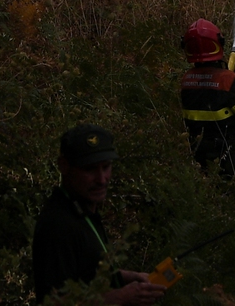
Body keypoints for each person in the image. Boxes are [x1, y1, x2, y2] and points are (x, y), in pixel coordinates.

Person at [32, 126, 165, 304]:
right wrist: (120, 296)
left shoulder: (83, 209)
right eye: (90, 169)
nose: (102, 179)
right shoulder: (58, 226)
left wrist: (128, 277)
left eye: (106, 167)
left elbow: (86, 270)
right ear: (64, 166)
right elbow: (53, 302)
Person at [177, 19, 235, 174]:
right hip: (226, 152)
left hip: (197, 150)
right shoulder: (227, 80)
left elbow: (208, 89)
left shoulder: (186, 79)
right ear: (218, 44)